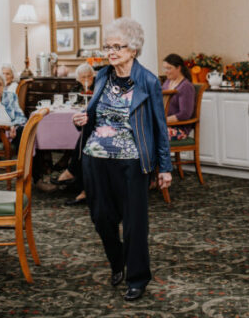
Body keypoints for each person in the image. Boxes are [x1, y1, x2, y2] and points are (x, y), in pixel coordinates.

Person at [72, 17, 172, 302]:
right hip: (95, 158)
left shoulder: (148, 81)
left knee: (134, 223)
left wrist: (164, 167)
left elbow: (159, 127)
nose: (111, 51)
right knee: (101, 217)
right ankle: (117, 262)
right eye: (108, 46)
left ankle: (137, 278)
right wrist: (82, 119)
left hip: (131, 161)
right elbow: (93, 114)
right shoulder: (102, 75)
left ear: (134, 49)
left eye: (118, 46)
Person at [51, 63, 95, 206]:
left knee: (86, 134)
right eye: (83, 77)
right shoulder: (77, 89)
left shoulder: (98, 89)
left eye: (90, 76)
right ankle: (79, 183)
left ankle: (72, 171)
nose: (87, 79)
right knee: (85, 134)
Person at [162, 53, 196, 141]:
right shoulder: (167, 83)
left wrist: (162, 120)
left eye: (169, 68)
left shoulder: (186, 86)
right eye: (165, 68)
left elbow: (184, 114)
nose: (166, 71)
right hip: (166, 126)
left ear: (179, 68)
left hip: (179, 130)